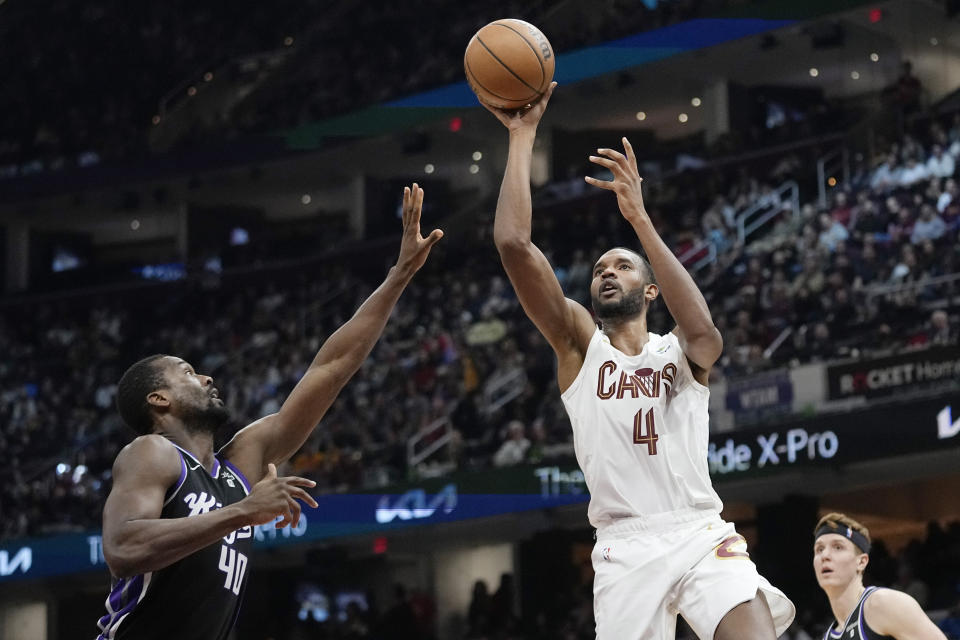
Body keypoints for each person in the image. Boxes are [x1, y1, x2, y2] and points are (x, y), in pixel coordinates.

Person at [483, 83, 794, 640]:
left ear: (651, 292)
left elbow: (704, 330)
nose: (606, 271)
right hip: (626, 546)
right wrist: (522, 134)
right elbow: (513, 244)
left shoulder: (680, 352)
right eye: (600, 267)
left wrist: (641, 223)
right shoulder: (579, 347)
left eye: (622, 266)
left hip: (700, 530)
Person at [94, 184, 442, 639]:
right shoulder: (152, 453)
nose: (206, 378)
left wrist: (398, 277)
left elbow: (331, 369)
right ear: (159, 399)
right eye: (188, 373)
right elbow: (122, 548)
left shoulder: (240, 464)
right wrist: (242, 512)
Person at [813, 512, 946, 640]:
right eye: (820, 549)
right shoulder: (829, 636)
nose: (825, 555)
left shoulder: (883, 603)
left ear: (861, 562)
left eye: (837, 547)